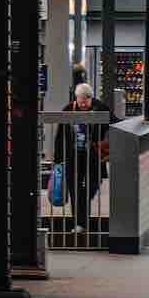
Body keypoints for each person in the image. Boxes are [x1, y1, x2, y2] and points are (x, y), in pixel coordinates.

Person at [53, 83, 120, 234]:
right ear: (76, 98)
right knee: (75, 191)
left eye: (86, 101)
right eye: (80, 100)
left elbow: (117, 123)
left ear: (91, 98)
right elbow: (60, 135)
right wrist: (58, 159)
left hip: (94, 156)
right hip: (73, 157)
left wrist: (108, 143)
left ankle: (81, 222)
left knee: (92, 186)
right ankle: (80, 224)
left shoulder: (101, 108)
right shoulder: (69, 109)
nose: (83, 104)